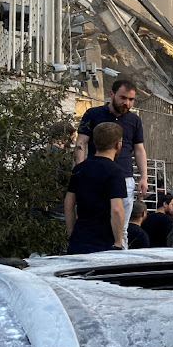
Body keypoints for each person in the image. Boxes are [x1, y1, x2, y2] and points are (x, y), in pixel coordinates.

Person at [75, 79, 147, 249]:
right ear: (111, 94)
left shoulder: (134, 120)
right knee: (94, 222)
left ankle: (119, 262)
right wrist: (80, 170)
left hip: (124, 178)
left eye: (131, 100)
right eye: (123, 98)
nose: (126, 103)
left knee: (121, 229)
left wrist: (143, 177)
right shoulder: (93, 114)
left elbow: (139, 149)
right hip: (96, 176)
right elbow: (81, 143)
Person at [64, 122, 127, 254]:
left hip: (79, 238)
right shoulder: (115, 172)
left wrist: (71, 234)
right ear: (118, 144)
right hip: (104, 242)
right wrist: (117, 243)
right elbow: (116, 209)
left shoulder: (79, 169)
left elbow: (69, 204)